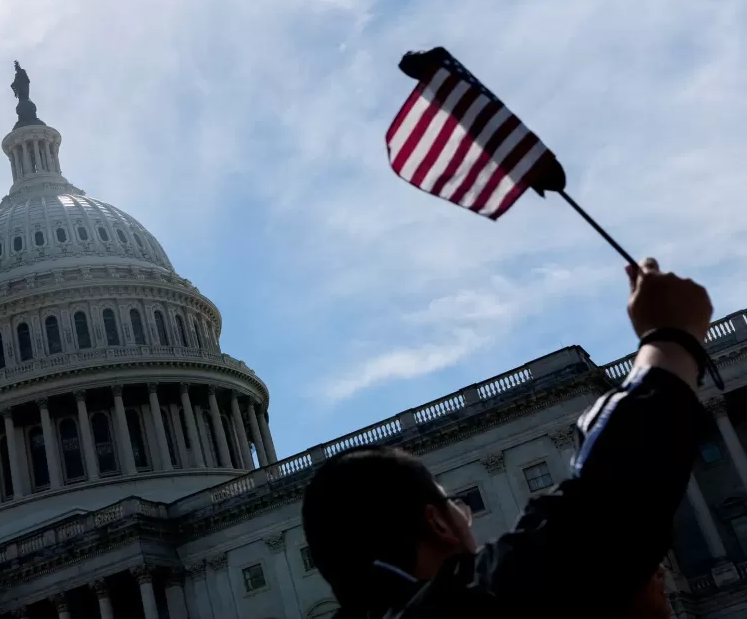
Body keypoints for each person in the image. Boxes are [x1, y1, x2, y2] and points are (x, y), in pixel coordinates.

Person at [302, 258, 714, 619]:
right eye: (456, 506)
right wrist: (671, 338)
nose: (468, 517)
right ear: (436, 524)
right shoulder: (453, 606)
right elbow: (602, 510)